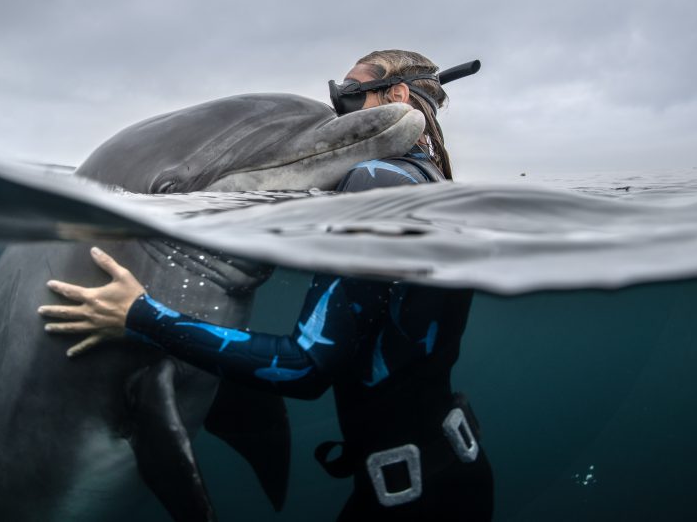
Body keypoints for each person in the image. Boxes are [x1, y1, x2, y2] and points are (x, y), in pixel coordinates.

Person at [39, 49, 493, 520]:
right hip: (458, 470)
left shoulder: (373, 181)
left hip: (406, 503)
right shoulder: (435, 182)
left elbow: (303, 367)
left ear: (396, 95)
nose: (338, 111)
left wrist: (139, 314)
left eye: (352, 95)